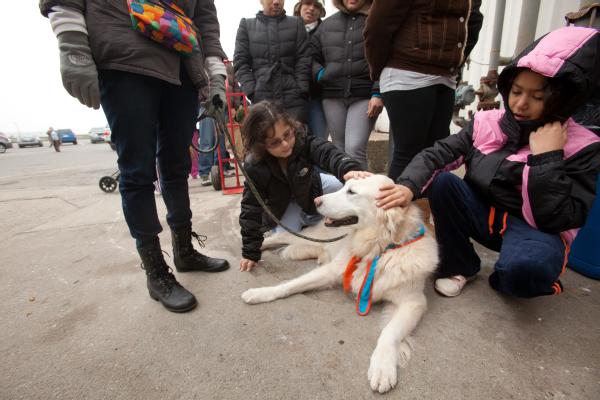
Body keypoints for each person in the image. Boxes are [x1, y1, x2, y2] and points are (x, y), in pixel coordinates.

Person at [375, 26, 600, 299]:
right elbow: (438, 154)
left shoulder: (582, 145)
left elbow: (561, 218)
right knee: (444, 182)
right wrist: (408, 186)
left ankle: (507, 276)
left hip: (536, 229)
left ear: (560, 99)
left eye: (537, 97)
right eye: (516, 91)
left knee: (522, 274)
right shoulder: (487, 122)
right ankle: (460, 266)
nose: (520, 104)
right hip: (487, 216)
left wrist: (546, 158)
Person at [40, 0, 230, 313]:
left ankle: (184, 250)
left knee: (177, 166)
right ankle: (156, 272)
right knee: (137, 171)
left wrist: (217, 77)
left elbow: (207, 24)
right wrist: (73, 46)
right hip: (124, 59)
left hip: (182, 66)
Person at [239, 101, 370, 272]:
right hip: (282, 204)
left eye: (287, 134)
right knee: (290, 237)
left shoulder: (302, 139)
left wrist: (349, 169)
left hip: (309, 188)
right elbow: (251, 207)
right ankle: (305, 221)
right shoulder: (254, 166)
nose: (285, 144)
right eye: (275, 143)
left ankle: (311, 217)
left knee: (338, 184)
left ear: (292, 126)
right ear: (261, 145)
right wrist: (250, 251)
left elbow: (327, 152)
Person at [364, 0, 483, 180]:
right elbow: (377, 26)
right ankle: (394, 208)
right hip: (407, 71)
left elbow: (473, 21)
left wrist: (456, 62)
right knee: (409, 154)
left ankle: (427, 207)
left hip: (445, 75)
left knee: (438, 155)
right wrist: (379, 69)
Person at [311, 0, 384, 170]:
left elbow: (385, 58)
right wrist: (322, 74)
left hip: (364, 95)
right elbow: (311, 56)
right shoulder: (327, 25)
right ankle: (345, 194)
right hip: (332, 96)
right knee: (339, 150)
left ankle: (362, 194)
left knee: (354, 149)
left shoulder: (376, 21)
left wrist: (377, 92)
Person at [234, 0, 311, 123]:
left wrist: (301, 88)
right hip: (261, 98)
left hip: (294, 98)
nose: (276, 2)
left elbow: (304, 58)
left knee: (297, 139)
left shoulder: (296, 23)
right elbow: (240, 62)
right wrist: (252, 91)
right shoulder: (247, 26)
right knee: (266, 140)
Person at [293, 0, 328, 140]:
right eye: (308, 3)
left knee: (319, 140)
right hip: (292, 96)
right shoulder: (287, 28)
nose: (311, 8)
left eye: (316, 6)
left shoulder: (327, 30)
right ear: (300, 6)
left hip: (317, 96)